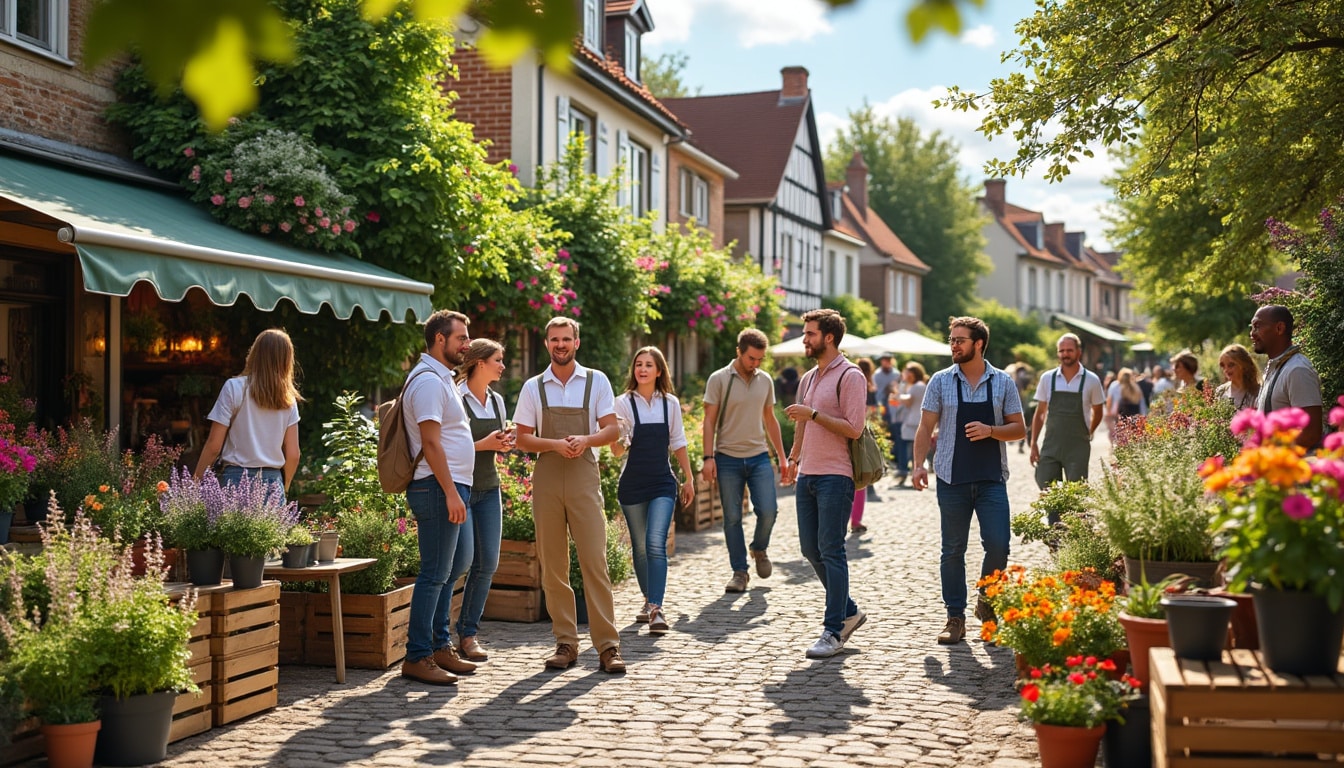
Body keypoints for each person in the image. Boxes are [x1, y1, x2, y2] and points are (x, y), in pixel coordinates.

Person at [513, 317, 626, 673]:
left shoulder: (597, 381)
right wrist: (557, 445)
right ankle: (565, 642)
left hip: (583, 473)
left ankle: (608, 646)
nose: (560, 345)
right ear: (546, 344)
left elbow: (611, 430)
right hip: (547, 472)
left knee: (594, 560)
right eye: (553, 340)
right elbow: (521, 438)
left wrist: (585, 440)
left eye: (566, 339)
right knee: (553, 564)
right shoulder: (534, 387)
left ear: (577, 342)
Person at [911, 316, 1026, 645]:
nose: (954, 345)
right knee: (953, 550)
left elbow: (1019, 429)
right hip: (951, 478)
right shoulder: (940, 381)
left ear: (978, 344)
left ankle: (987, 605)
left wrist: (991, 430)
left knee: (999, 545)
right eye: (951, 339)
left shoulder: (1002, 382)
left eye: (960, 340)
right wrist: (918, 465)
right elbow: (925, 427)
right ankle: (955, 617)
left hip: (991, 479)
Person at [781, 308, 868, 659]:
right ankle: (849, 610)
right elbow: (801, 426)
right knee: (810, 549)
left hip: (836, 474)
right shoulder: (809, 378)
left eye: (810, 334)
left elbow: (854, 428)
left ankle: (833, 630)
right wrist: (792, 458)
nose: (805, 339)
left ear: (828, 337)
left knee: (832, 549)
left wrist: (814, 414)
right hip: (808, 474)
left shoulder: (851, 376)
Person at [399, 310, 479, 686]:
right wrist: (450, 491)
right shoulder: (429, 381)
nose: (466, 344)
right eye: (460, 338)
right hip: (435, 487)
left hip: (451, 485)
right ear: (439, 340)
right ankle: (417, 656)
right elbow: (430, 442)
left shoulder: (443, 378)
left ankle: (439, 645)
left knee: (454, 566)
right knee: (434, 574)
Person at [611, 347, 696, 636]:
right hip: (632, 483)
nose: (642, 369)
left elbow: (678, 441)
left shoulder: (669, 403)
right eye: (638, 364)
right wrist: (623, 438)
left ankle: (657, 608)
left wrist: (688, 477)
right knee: (640, 546)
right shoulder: (621, 403)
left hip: (662, 481)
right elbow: (614, 450)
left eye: (649, 365)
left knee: (655, 542)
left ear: (659, 371)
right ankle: (648, 601)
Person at [702, 328, 789, 594]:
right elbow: (709, 421)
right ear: (739, 352)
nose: (756, 364)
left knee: (769, 510)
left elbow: (770, 419)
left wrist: (782, 457)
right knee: (731, 518)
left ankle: (759, 548)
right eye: (752, 358)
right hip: (727, 457)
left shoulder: (765, 380)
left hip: (759, 456)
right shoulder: (718, 379)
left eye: (760, 359)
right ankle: (740, 572)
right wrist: (708, 457)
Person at [448, 339, 515, 663]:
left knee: (487, 562)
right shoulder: (456, 398)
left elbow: (494, 445)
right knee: (459, 563)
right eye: (498, 360)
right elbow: (450, 447)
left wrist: (503, 443)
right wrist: (486, 443)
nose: (503, 365)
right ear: (479, 363)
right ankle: (439, 634)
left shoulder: (498, 401)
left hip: (489, 488)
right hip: (461, 488)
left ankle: (468, 633)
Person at [196, 329, 303, 492]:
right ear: (287, 361)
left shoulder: (233, 388)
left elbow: (214, 445)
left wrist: (194, 483)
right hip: (273, 483)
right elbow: (294, 454)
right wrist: (285, 487)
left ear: (254, 354)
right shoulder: (288, 399)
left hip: (237, 480)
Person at [1029, 334, 1105, 495]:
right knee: (1047, 488)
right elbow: (1040, 414)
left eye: (1069, 350)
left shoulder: (1092, 380)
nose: (1065, 354)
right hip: (1051, 445)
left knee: (1077, 494)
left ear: (1079, 352)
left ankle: (1076, 521)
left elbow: (1098, 412)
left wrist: (1089, 432)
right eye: (1061, 351)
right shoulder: (1047, 378)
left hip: (1078, 447)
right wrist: (1034, 442)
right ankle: (1053, 521)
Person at [1250, 305, 1323, 448]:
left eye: (1257, 326)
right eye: (1251, 327)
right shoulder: (1275, 367)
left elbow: (1311, 433)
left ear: (1279, 328)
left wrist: (1273, 455)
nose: (1252, 333)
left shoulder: (1297, 370)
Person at [848, 357, 880, 535]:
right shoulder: (869, 389)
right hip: (862, 434)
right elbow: (873, 413)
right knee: (861, 479)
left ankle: (843, 521)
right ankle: (856, 520)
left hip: (846, 432)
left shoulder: (848, 384)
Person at [894, 362, 928, 487]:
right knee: (915, 451)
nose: (905, 374)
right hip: (917, 421)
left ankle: (904, 473)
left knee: (907, 451)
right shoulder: (921, 385)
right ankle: (911, 474)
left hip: (912, 423)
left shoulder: (915, 386)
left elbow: (908, 402)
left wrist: (897, 396)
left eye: (907, 372)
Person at [872, 354, 902, 463]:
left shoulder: (896, 373)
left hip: (893, 405)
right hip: (881, 404)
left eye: (888, 360)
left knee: (894, 430)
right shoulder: (877, 374)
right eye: (884, 360)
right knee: (883, 429)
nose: (886, 362)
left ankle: (895, 456)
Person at [1215, 343, 1261, 410]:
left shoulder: (1258, 392)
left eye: (1231, 365)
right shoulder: (1221, 391)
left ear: (1244, 365)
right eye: (1223, 366)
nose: (1226, 370)